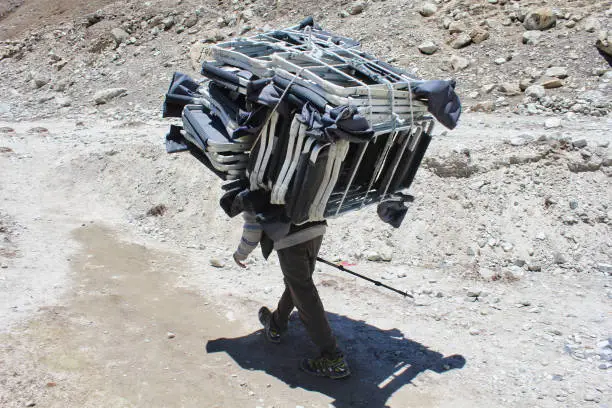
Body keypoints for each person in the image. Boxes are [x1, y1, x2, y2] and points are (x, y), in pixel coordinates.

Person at [233, 211, 351, 379]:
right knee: (297, 284)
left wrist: (241, 253)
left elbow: (253, 226)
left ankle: (333, 359)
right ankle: (276, 324)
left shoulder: (255, 183)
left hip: (291, 239)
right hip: (316, 229)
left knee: (304, 293)